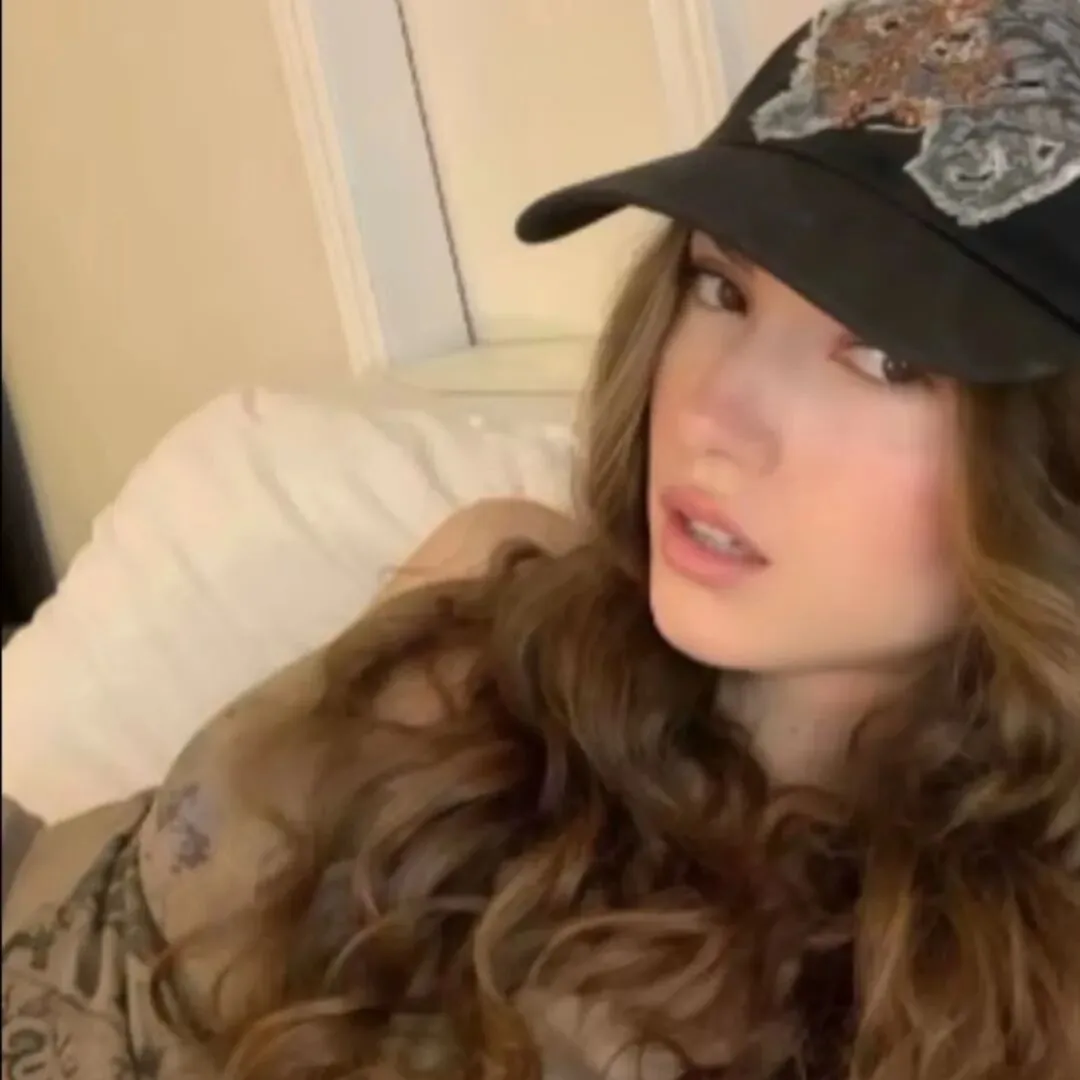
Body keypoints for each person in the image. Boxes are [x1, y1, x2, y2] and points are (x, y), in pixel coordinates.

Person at [3, 0, 1078, 1077]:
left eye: (888, 361)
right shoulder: (508, 600)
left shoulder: (992, 991)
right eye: (720, 289)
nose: (716, 414)